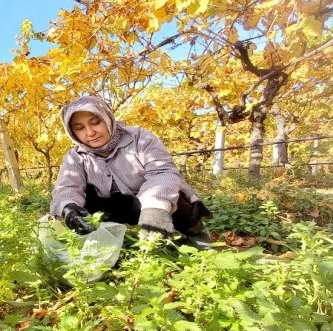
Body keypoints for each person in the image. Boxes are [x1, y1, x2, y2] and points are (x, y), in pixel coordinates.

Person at [49, 95, 213, 247]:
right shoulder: (75, 157)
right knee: (83, 201)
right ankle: (112, 244)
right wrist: (68, 207)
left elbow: (163, 172)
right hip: (114, 208)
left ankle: (195, 235)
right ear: (72, 133)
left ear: (107, 118)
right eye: (79, 128)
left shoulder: (139, 138)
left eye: (95, 122)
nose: (90, 132)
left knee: (174, 195)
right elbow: (68, 187)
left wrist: (155, 208)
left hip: (145, 202)